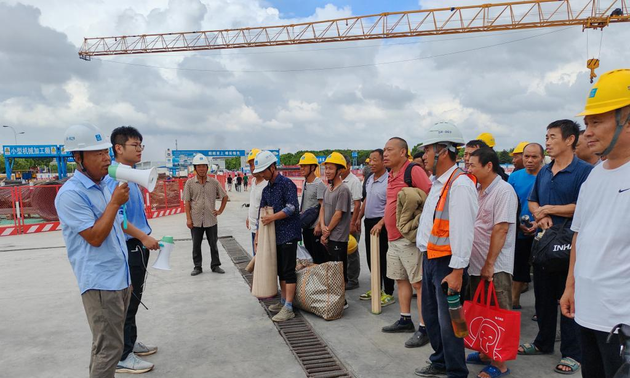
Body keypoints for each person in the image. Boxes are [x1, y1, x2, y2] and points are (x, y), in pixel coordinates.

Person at [55, 124, 159, 377]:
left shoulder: (103, 186)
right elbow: (95, 237)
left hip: (118, 278)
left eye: (105, 152)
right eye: (97, 154)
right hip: (101, 283)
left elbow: (116, 226)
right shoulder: (71, 194)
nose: (105, 159)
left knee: (111, 343)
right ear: (78, 158)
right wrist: (114, 202)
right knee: (108, 350)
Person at [560, 69, 630, 378]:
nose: (587, 132)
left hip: (623, 320)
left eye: (597, 122)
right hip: (588, 311)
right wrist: (570, 285)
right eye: (587, 123)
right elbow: (580, 236)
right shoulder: (594, 177)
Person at [520, 120, 593, 375]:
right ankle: (543, 342)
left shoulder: (585, 171)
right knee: (543, 298)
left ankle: (573, 353)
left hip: (571, 247)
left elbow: (584, 206)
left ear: (570, 140)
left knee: (569, 299)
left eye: (552, 137)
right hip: (544, 245)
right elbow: (533, 201)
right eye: (546, 137)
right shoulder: (544, 171)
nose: (548, 142)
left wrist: (550, 209)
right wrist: (540, 216)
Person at [415, 122, 478, 378]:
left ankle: (456, 370)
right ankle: (440, 360)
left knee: (449, 321)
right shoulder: (439, 183)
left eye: (428, 150)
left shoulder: (460, 184)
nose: (424, 156)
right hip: (430, 258)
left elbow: (464, 230)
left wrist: (457, 270)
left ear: (442, 151)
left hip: (447, 263)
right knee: (432, 318)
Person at [108, 126, 160, 373]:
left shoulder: (131, 176)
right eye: (134, 145)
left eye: (141, 145)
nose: (139, 149)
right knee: (127, 302)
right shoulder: (114, 179)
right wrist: (143, 237)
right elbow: (115, 217)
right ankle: (123, 355)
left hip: (139, 245)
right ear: (118, 148)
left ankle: (130, 343)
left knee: (135, 298)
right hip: (130, 247)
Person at [466, 148, 518, 378]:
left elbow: (501, 228)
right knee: (483, 311)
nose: (469, 169)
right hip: (476, 262)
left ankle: (500, 363)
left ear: (488, 166)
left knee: (499, 312)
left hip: (495, 266)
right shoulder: (477, 189)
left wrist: (490, 264)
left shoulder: (504, 191)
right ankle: (487, 352)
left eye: (472, 165)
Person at [381, 137, 432, 349]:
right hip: (393, 238)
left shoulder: (413, 171)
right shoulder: (390, 175)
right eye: (384, 150)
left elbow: (431, 197)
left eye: (389, 150)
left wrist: (417, 224)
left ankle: (424, 328)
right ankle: (404, 319)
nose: (385, 153)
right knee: (400, 280)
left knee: (418, 284)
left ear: (403, 152)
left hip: (408, 239)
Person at [255, 151, 302, 322]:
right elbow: (262, 213)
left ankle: (289, 306)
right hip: (275, 235)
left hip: (289, 233)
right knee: (280, 270)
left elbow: (292, 208)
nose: (262, 174)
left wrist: (272, 217)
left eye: (264, 171)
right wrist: (257, 235)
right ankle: (283, 301)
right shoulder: (267, 189)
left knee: (288, 270)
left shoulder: (286, 184)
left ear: (273, 167)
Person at [356, 149, 395, 307]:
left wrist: (381, 223)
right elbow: (366, 200)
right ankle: (376, 288)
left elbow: (392, 206)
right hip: (369, 222)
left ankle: (389, 292)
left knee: (384, 258)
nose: (371, 163)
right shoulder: (370, 178)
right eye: (370, 160)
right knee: (372, 257)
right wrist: (359, 217)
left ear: (383, 161)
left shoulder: (389, 180)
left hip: (383, 224)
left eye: (374, 160)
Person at [508, 143, 544, 309]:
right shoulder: (514, 177)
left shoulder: (547, 176)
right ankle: (514, 301)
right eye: (526, 156)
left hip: (543, 231)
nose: (529, 160)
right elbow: (509, 204)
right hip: (519, 230)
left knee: (541, 270)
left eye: (534, 157)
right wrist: (517, 224)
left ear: (542, 158)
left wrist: (538, 223)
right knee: (519, 266)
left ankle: (541, 306)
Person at [185, 154, 228, 276]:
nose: (202, 169)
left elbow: (225, 197)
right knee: (196, 245)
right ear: (195, 168)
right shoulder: (189, 183)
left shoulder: (214, 183)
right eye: (199, 166)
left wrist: (219, 211)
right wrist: (188, 219)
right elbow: (186, 202)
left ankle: (215, 265)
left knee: (213, 244)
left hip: (211, 220)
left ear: (207, 167)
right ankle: (197, 266)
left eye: (204, 166)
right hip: (196, 220)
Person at [319, 152, 352, 291]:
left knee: (339, 271)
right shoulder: (328, 189)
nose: (327, 172)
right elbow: (323, 208)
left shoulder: (343, 190)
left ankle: (341, 300)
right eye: (326, 168)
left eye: (331, 168)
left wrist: (326, 232)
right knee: (331, 269)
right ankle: (334, 297)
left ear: (339, 170)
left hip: (338, 237)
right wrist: (322, 226)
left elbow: (338, 214)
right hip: (328, 234)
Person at [298, 152, 327, 264]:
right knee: (310, 255)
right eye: (301, 166)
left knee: (319, 257)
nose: (302, 168)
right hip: (307, 226)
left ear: (313, 167)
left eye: (305, 166)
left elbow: (323, 206)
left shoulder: (319, 184)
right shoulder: (306, 182)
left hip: (315, 229)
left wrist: (319, 225)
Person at [341, 155, 363, 290]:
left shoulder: (354, 181)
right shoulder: (337, 181)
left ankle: (353, 279)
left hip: (350, 216)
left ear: (349, 165)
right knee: (343, 250)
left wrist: (353, 222)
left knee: (352, 249)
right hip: (341, 217)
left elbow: (357, 204)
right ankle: (345, 277)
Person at [246, 149, 267, 255]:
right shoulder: (253, 181)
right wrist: (248, 217)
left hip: (263, 228)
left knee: (262, 257)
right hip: (253, 226)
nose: (252, 168)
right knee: (256, 255)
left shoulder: (267, 184)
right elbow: (253, 202)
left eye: (254, 164)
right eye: (250, 165)